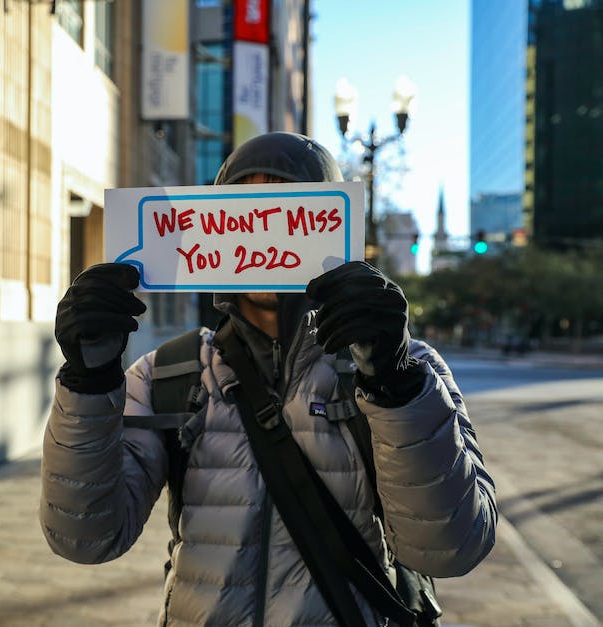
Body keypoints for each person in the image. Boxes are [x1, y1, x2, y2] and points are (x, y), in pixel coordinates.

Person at [40, 132, 496, 626]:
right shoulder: (166, 373)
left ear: (329, 225)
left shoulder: (406, 370)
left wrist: (395, 384)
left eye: (284, 212)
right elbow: (84, 538)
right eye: (243, 212)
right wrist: (88, 382)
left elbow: (452, 548)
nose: (262, 235)